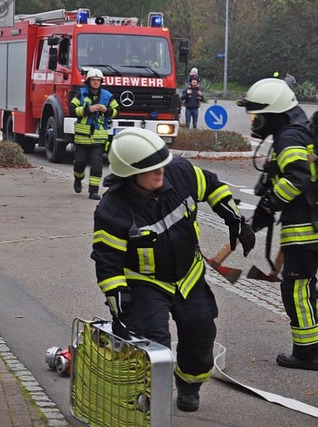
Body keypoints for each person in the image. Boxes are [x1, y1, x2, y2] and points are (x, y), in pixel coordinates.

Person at [91, 128, 255, 412]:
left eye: (162, 163)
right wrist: (119, 301)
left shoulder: (179, 173)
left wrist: (233, 218)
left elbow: (212, 186)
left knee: (200, 332)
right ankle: (147, 397)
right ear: (130, 173)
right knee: (153, 342)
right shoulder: (112, 210)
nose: (160, 172)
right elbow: (108, 263)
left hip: (189, 276)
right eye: (152, 168)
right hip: (145, 283)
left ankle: (190, 385)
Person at [237, 78, 318, 371]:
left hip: (307, 227)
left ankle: (307, 352)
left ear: (273, 113)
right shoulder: (297, 130)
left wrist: (270, 204)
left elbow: (296, 178)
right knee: (304, 282)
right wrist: (260, 216)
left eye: (256, 115)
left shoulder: (290, 137)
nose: (254, 120)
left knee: (294, 288)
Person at [69, 68, 119, 200]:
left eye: (98, 80)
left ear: (101, 82)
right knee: (79, 163)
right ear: (89, 81)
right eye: (93, 80)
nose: (96, 82)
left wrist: (106, 110)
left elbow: (116, 111)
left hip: (99, 138)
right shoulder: (81, 94)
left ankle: (93, 191)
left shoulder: (107, 96)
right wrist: (88, 109)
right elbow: (72, 110)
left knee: (97, 165)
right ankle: (78, 179)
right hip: (82, 137)